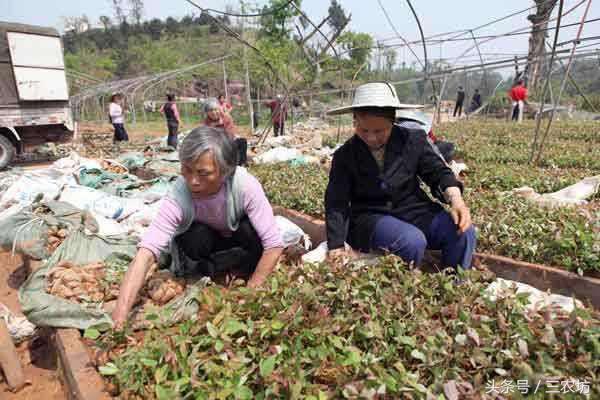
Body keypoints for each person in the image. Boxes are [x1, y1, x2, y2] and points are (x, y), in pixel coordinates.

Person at [112, 126, 284, 328]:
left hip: (237, 239)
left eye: (204, 173)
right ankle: (207, 270)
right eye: (187, 169)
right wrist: (119, 318)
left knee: (251, 230)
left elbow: (274, 244)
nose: (193, 181)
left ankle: (240, 269)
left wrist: (251, 294)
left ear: (226, 171)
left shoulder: (244, 185)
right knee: (194, 235)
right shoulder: (179, 194)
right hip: (205, 246)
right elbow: (146, 253)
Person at [325, 82, 476, 270]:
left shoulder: (413, 140)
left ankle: (455, 286)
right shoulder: (345, 155)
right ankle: (406, 288)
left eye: (380, 131)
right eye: (364, 130)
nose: (371, 138)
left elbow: (438, 172)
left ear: (393, 121)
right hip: (372, 217)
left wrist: (456, 201)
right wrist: (336, 246)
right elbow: (336, 203)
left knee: (462, 230)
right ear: (355, 121)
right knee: (411, 241)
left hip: (414, 210)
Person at [203, 98, 247, 166]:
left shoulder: (226, 118)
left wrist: (221, 124)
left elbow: (230, 133)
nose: (214, 112)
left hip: (227, 142)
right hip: (214, 146)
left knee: (242, 141)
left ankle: (241, 164)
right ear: (207, 113)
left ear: (219, 109)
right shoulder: (206, 122)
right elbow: (206, 137)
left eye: (216, 109)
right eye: (211, 110)